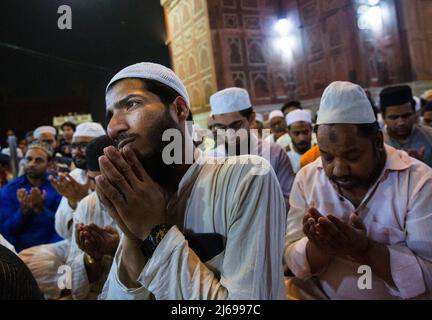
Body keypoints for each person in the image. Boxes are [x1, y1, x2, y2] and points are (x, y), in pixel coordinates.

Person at [97, 62, 286, 300]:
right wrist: (131, 237)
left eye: (131, 104)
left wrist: (155, 234)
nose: (114, 127)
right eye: (110, 115)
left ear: (178, 109)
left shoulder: (246, 177)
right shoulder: (135, 200)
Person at [284, 81, 432, 300]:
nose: (339, 169)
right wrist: (318, 246)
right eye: (327, 157)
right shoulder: (307, 179)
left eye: (352, 157)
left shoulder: (418, 182)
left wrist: (364, 250)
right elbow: (291, 258)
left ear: (378, 141)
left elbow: (428, 276)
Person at [207, 87, 294, 210]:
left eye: (236, 126)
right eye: (221, 127)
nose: (229, 134)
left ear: (251, 119)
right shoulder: (210, 160)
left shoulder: (274, 153)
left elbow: (289, 200)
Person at [66, 135, 121, 300]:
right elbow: (69, 275)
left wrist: (117, 248)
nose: (100, 188)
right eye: (93, 180)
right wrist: (91, 258)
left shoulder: (146, 202)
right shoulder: (86, 205)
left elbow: (158, 270)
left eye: (106, 179)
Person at [0, 142, 62, 252]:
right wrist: (22, 211)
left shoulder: (58, 186)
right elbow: (6, 230)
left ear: (49, 164)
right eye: (28, 159)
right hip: (21, 252)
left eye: (39, 160)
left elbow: (64, 226)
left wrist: (42, 209)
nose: (32, 164)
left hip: (54, 249)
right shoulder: (10, 189)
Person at [51, 122, 106, 240]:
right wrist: (72, 202)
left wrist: (82, 199)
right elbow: (63, 232)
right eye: (74, 146)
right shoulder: (74, 176)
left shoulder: (110, 175)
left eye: (83, 146)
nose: (76, 152)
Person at [381, 85, 432, 167]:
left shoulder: (429, 135)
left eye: (406, 116)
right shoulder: (377, 143)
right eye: (394, 117)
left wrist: (423, 166)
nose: (401, 122)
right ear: (383, 117)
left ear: (415, 113)